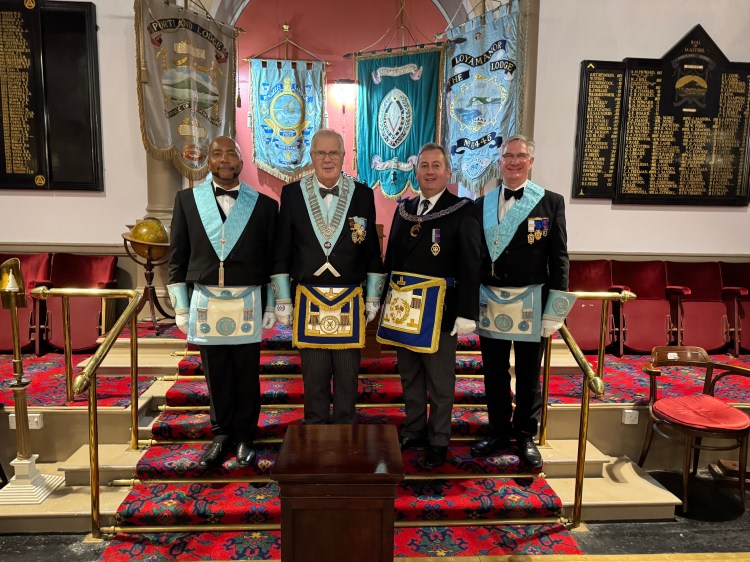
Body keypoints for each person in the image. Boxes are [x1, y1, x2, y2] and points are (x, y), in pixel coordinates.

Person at [167, 136, 278, 469]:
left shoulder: (264, 205)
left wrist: (272, 303)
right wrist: (180, 306)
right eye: (218, 153)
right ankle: (221, 434)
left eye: (232, 153)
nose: (225, 159)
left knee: (246, 373)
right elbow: (177, 257)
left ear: (242, 162)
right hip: (206, 300)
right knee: (215, 373)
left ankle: (245, 436)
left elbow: (272, 260)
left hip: (248, 301)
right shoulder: (187, 201)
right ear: (208, 160)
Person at [470, 134, 572, 469]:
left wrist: (555, 311)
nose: (514, 162)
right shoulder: (481, 204)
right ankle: (499, 430)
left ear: (531, 161)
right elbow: (474, 257)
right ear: (500, 161)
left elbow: (559, 259)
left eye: (521, 156)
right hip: (491, 300)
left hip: (531, 300)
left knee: (529, 373)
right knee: (494, 372)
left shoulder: (550, 202)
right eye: (508, 156)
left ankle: (525, 434)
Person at [378, 142, 481, 469]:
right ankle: (414, 429)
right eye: (424, 166)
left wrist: (467, 311)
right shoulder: (404, 209)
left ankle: (438, 439)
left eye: (437, 165)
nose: (430, 172)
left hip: (440, 312)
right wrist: (382, 301)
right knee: (409, 375)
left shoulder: (462, 209)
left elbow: (471, 263)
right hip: (403, 310)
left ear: (448, 172)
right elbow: (391, 260)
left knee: (439, 381)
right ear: (416, 171)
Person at [272, 128, 384, 424]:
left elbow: (372, 252)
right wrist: (282, 299)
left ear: (343, 156)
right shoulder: (292, 194)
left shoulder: (363, 194)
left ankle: (346, 434)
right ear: (311, 156)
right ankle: (316, 434)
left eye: (333, 152)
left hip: (350, 299)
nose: (327, 159)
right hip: (308, 299)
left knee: (348, 378)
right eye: (321, 153)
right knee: (314, 378)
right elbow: (281, 251)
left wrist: (373, 298)